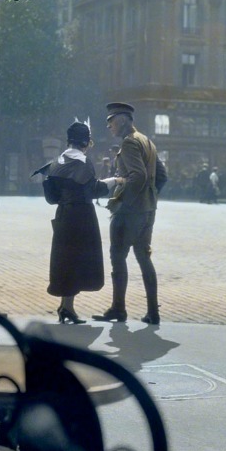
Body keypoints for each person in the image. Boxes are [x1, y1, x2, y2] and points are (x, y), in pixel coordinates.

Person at [93, 102, 168, 325]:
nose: (109, 126)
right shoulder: (147, 141)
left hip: (130, 213)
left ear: (123, 120)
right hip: (148, 211)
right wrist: (149, 198)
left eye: (112, 121)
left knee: (117, 257)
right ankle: (153, 312)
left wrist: (121, 202)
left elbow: (138, 176)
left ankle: (118, 308)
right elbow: (161, 176)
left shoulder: (129, 143)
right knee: (144, 258)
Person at [41, 121, 120, 324]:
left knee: (65, 260)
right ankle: (67, 308)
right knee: (77, 261)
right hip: (82, 216)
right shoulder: (83, 162)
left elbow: (51, 197)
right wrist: (115, 181)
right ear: (86, 142)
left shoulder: (57, 161)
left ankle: (66, 306)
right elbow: (93, 189)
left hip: (63, 215)